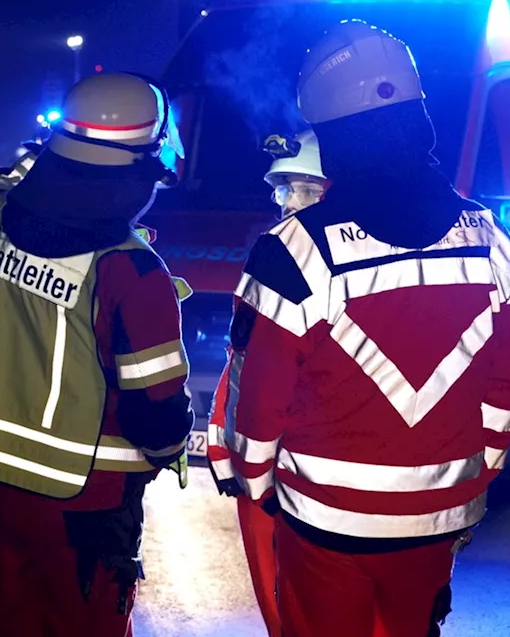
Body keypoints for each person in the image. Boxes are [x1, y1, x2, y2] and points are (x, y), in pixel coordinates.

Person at [223, 20, 510, 637]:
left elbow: (260, 398)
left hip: (326, 520)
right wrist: (479, 470)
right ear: (419, 116)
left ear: (331, 135)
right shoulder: (493, 238)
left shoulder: (293, 249)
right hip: (441, 515)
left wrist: (254, 481)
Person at [0, 71, 195, 637]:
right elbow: (157, 414)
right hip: (91, 507)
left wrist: (42, 160)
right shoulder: (132, 270)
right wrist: (170, 449)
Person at [206, 128, 327, 637]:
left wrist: (251, 465)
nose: (285, 201)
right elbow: (242, 361)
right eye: (280, 188)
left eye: (299, 188)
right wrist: (220, 442)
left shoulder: (300, 254)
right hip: (267, 465)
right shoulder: (276, 250)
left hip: (296, 469)